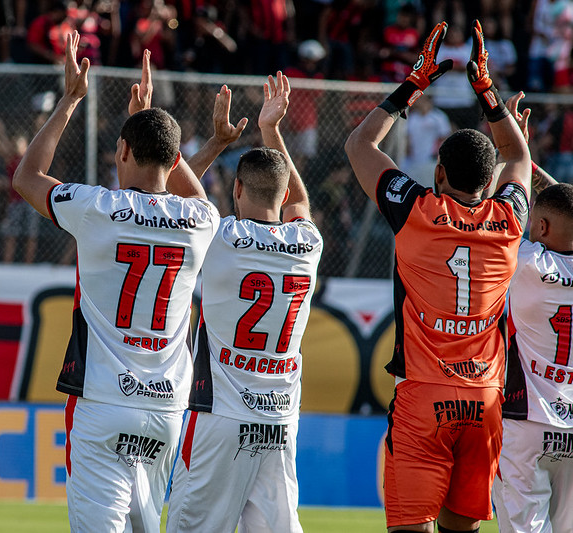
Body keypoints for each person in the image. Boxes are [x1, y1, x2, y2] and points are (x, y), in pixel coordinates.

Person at [12, 36, 219, 531]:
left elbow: (27, 176)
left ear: (121, 150)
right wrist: (153, 124)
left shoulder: (96, 207)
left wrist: (71, 99)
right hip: (168, 404)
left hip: (103, 401)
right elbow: (186, 185)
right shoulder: (202, 219)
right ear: (173, 161)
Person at [344, 20, 531, 533]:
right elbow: (519, 156)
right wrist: (487, 91)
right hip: (487, 398)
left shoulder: (414, 211)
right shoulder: (510, 219)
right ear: (490, 181)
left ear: (440, 173)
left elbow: (361, 145)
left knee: (410, 526)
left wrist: (413, 85)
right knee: (461, 529)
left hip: (425, 395)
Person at [166, 72, 321, 532]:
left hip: (220, 417)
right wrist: (273, 131)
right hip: (279, 420)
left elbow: (171, 199)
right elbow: (301, 201)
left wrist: (216, 142)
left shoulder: (222, 236)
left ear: (236, 191)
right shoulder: (307, 242)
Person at [490, 95, 573, 533]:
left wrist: (516, 155)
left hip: (527, 422)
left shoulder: (526, 264)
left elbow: (501, 210)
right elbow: (563, 205)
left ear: (540, 229)